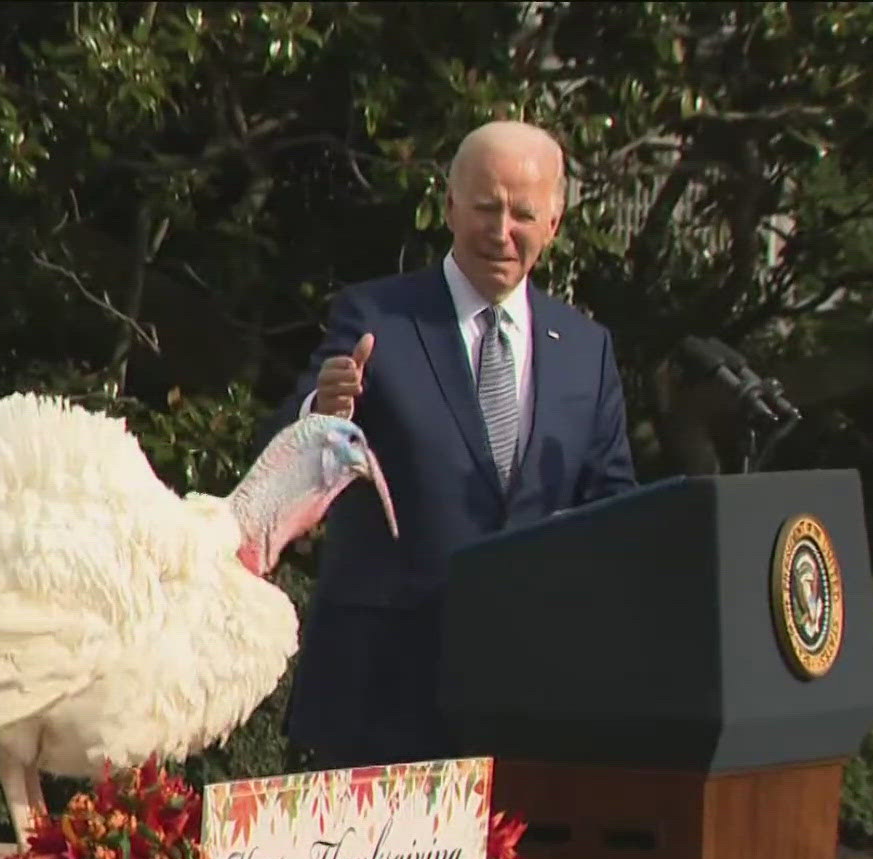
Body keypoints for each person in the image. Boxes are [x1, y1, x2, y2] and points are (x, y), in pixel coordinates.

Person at [271, 119, 636, 769]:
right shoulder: (377, 318)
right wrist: (321, 413)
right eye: (485, 208)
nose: (502, 232)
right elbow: (281, 459)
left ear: (553, 223)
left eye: (523, 213)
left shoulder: (587, 349)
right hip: (383, 690)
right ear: (448, 206)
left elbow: (614, 504)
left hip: (529, 695)